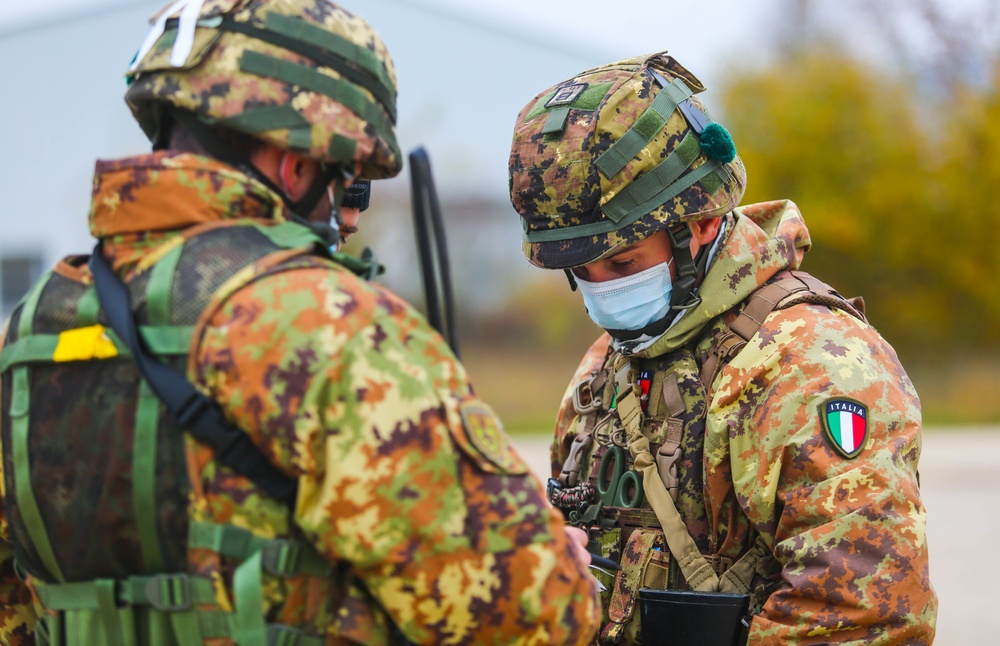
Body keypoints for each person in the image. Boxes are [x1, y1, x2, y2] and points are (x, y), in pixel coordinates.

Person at [0, 2, 601, 644]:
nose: (349, 218)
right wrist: (561, 564)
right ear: (298, 165)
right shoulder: (329, 324)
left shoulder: (35, 325)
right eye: (346, 183)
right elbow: (529, 618)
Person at [507, 52, 937, 644]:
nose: (602, 290)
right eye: (580, 269)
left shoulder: (811, 361)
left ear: (700, 223)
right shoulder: (608, 365)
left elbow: (863, 614)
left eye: (622, 262)